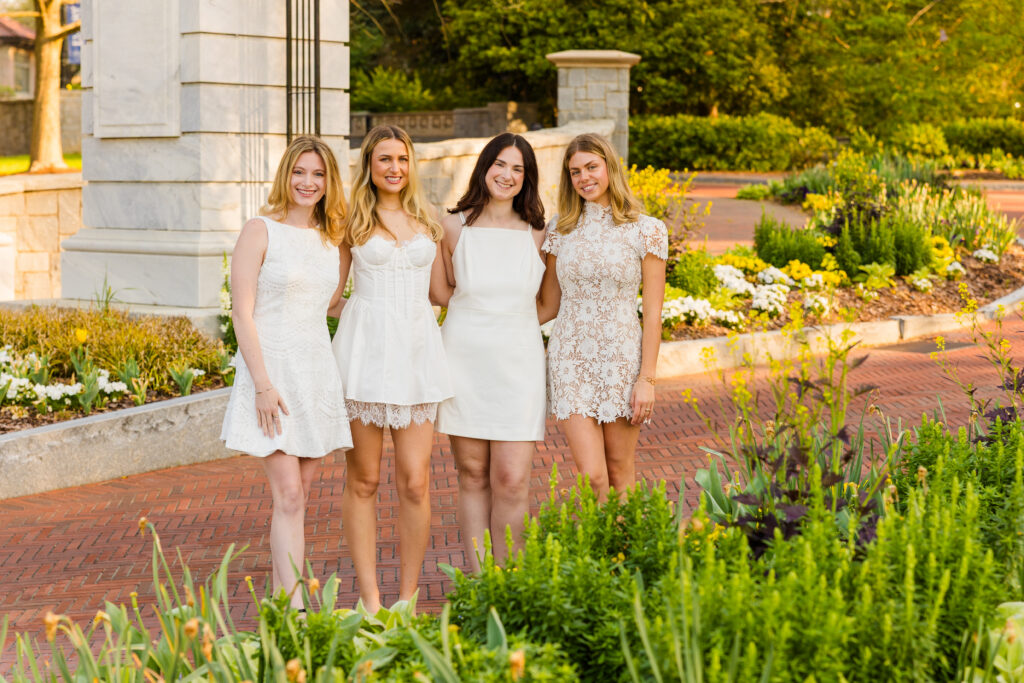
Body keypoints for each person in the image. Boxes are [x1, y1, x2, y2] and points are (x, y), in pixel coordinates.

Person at [220, 135, 352, 608]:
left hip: (315, 373)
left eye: (318, 174)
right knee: (290, 495)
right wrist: (262, 385)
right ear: (285, 175)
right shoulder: (260, 230)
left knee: (297, 500)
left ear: (329, 181)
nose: (308, 182)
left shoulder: (332, 241)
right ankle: (293, 612)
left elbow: (332, 305)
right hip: (270, 375)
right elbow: (242, 312)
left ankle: (282, 606)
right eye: (300, 172)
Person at [330, 124, 452, 613]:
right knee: (363, 480)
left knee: (415, 481)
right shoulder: (350, 224)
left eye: (402, 159)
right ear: (369, 165)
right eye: (385, 159)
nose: (395, 168)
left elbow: (442, 294)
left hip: (418, 359)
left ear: (411, 164)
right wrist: (365, 313)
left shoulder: (430, 222)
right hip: (364, 359)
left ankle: (406, 597)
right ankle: (371, 600)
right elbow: (329, 296)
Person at [433, 133, 547, 572]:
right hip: (463, 359)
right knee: (473, 474)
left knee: (512, 479)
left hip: (519, 365)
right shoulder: (452, 226)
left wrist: (508, 327)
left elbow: (547, 304)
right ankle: (481, 583)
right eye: (501, 164)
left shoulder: (540, 232)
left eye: (518, 169)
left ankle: (510, 582)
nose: (508, 175)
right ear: (484, 167)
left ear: (527, 178)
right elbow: (442, 293)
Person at [537, 133, 667, 502]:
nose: (584, 178)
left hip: (622, 360)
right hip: (570, 360)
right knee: (592, 477)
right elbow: (547, 305)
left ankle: (621, 556)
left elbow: (654, 315)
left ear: (609, 166)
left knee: (620, 471)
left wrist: (647, 379)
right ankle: (600, 552)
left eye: (591, 167)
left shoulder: (647, 229)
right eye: (575, 171)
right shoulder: (560, 229)